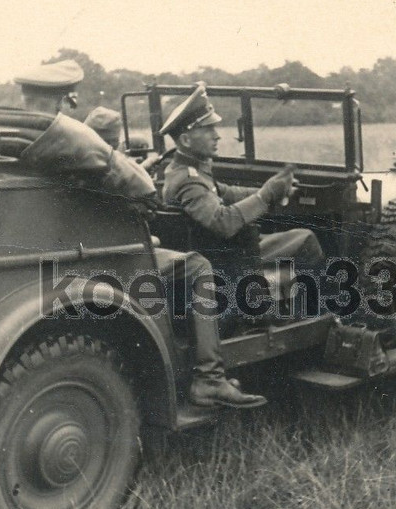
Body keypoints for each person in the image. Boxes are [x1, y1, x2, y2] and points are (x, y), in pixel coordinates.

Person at [20, 73, 265, 410]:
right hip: (105, 251)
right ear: (65, 100)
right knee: (198, 265)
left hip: (71, 246)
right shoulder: (71, 140)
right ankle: (209, 377)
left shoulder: (27, 137)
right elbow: (141, 193)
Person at [160, 84, 325, 276]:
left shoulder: (182, 170)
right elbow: (223, 222)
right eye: (207, 129)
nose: (217, 135)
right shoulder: (189, 180)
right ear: (186, 140)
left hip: (219, 252)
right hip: (224, 258)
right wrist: (265, 195)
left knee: (299, 237)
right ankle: (322, 305)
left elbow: (225, 192)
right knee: (306, 239)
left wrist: (270, 190)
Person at [15, 59, 85, 114]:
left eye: (43, 106)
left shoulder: (75, 131)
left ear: (61, 105)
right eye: (28, 102)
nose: (33, 111)